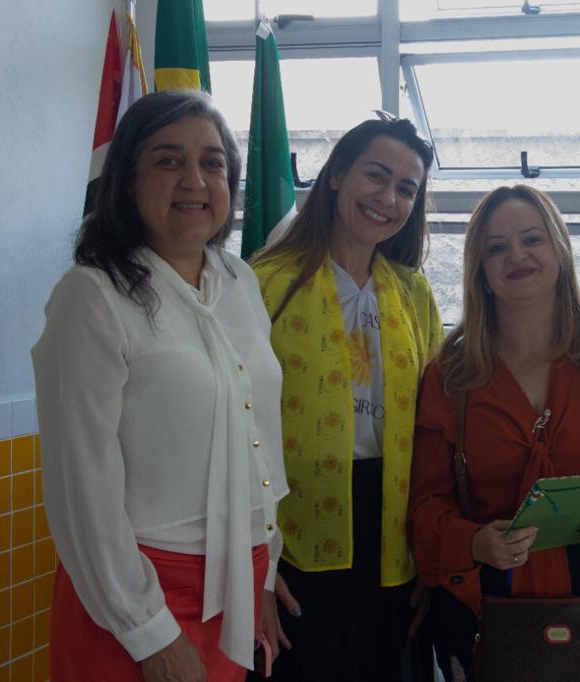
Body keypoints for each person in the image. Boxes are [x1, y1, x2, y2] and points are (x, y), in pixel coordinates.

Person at [32, 90, 287, 681]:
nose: (195, 180)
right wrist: (148, 632)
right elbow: (82, 486)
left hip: (240, 580)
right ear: (127, 181)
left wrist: (265, 573)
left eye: (213, 162)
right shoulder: (92, 296)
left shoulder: (239, 279)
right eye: (168, 160)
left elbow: (260, 433)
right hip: (135, 594)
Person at [408, 185, 580, 680]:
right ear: (479, 267)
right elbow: (423, 506)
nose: (516, 255)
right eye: (496, 246)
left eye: (532, 239)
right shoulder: (448, 375)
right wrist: (475, 542)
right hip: (484, 613)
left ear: (559, 249)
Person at [250, 114, 443, 682]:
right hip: (293, 528)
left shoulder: (412, 292)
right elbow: (236, 429)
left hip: (393, 529)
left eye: (406, 189)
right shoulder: (264, 284)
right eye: (376, 176)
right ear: (336, 175)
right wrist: (255, 564)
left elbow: (438, 426)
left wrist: (432, 556)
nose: (388, 198)